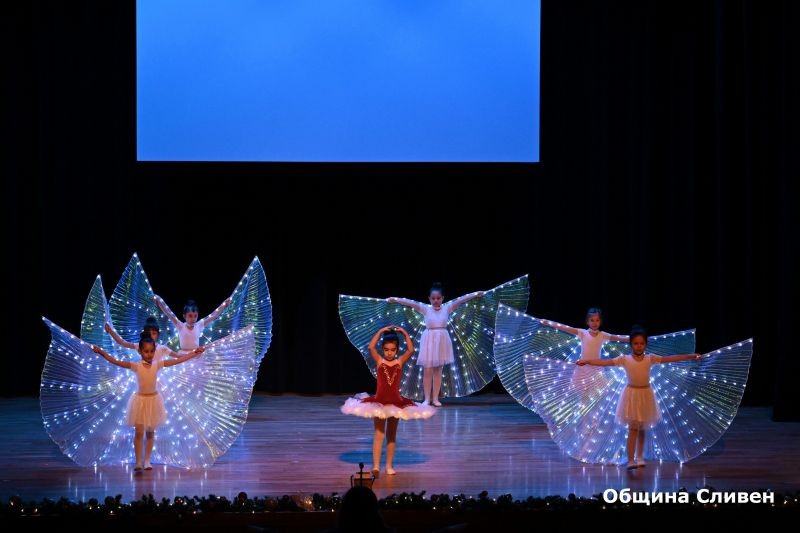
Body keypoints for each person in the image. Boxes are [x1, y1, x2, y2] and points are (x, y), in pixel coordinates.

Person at [576, 326, 700, 469]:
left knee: (642, 429)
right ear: (631, 344)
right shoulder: (625, 359)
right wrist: (587, 361)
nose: (639, 346)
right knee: (633, 428)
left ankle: (639, 457)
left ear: (645, 344)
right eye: (636, 343)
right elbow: (605, 362)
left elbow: (670, 359)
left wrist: (690, 356)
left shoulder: (650, 358)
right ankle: (630, 459)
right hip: (631, 396)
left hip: (646, 395)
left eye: (641, 343)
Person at [90, 335, 204, 471]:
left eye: (151, 351)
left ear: (155, 351)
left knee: (150, 433)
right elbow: (116, 362)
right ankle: (138, 462)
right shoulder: (136, 366)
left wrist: (193, 353)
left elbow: (178, 361)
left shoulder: (157, 364)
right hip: (139, 402)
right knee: (139, 433)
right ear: (140, 351)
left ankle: (147, 461)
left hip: (153, 401)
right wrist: (102, 352)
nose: (149, 354)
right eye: (146, 351)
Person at [341, 326, 435, 478]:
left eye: (392, 350)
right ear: (383, 350)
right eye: (386, 350)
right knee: (379, 434)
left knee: (391, 435)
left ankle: (389, 465)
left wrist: (404, 333)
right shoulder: (380, 361)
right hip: (379, 403)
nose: (389, 352)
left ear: (397, 350)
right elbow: (371, 347)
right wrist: (381, 331)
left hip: (396, 404)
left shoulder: (399, 362)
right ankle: (376, 466)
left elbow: (410, 350)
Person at [388, 283, 485, 406]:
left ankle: (435, 399)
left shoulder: (447, 308)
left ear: (442, 298)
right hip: (429, 339)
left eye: (438, 298)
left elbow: (461, 299)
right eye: (433, 298)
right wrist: (395, 299)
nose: (435, 300)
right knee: (427, 369)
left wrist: (475, 294)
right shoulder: (425, 309)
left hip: (442, 340)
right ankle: (427, 399)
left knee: (438, 370)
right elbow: (409, 303)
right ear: (429, 299)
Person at [153, 295, 232, 353]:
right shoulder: (180, 326)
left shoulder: (199, 325)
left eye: (195, 316)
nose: (193, 319)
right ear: (184, 316)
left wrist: (224, 304)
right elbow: (168, 313)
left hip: (196, 354)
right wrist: (158, 302)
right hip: (183, 356)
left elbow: (214, 315)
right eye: (190, 316)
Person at [104, 316, 179, 362]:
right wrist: (110, 331)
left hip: (157, 378)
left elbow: (178, 357)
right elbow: (122, 343)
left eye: (154, 333)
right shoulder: (140, 345)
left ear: (158, 335)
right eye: (149, 333)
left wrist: (187, 354)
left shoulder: (162, 348)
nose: (151, 335)